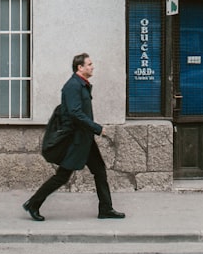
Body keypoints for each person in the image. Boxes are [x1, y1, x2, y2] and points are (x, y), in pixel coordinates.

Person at [23, 53, 126, 221]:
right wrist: (97, 128)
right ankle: (33, 203)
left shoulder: (82, 85)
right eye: (90, 64)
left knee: (100, 171)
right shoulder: (72, 86)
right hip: (77, 141)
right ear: (80, 67)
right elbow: (75, 113)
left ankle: (106, 208)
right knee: (62, 176)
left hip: (85, 139)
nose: (93, 67)